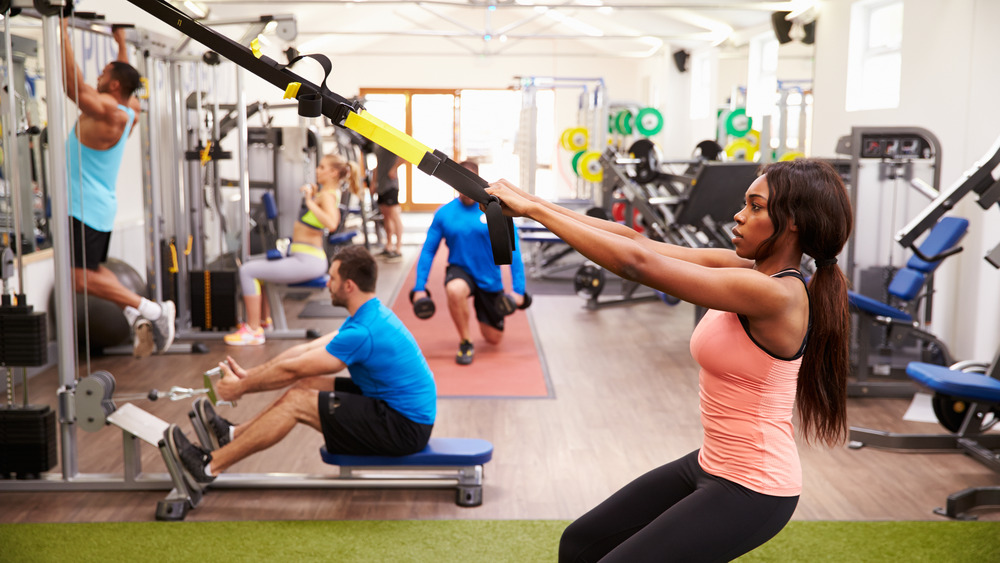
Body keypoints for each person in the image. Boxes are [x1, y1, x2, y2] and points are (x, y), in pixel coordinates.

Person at [485, 159, 852, 562]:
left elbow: (634, 264)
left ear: (794, 221)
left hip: (755, 487)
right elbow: (637, 243)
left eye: (756, 206)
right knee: (580, 544)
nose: (740, 215)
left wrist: (533, 212)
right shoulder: (747, 270)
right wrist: (532, 200)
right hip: (712, 463)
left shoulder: (776, 295)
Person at [167, 246, 437, 486]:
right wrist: (248, 376)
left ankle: (209, 466)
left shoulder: (363, 330)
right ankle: (232, 434)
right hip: (392, 407)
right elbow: (305, 351)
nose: (328, 284)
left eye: (333, 278)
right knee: (307, 387)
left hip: (403, 427)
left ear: (349, 285)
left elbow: (293, 369)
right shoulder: (370, 313)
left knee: (298, 401)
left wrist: (241, 389)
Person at [61, 20, 176, 358]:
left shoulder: (111, 113)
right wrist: (120, 44)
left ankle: (153, 311)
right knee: (93, 272)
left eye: (103, 73)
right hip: (95, 206)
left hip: (85, 207)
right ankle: (131, 312)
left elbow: (72, 84)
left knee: (80, 280)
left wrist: (61, 25)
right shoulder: (129, 109)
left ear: (111, 84)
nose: (96, 76)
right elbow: (125, 81)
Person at [225, 153, 360, 346]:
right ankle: (264, 322)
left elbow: (331, 223)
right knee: (256, 268)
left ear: (332, 172)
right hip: (304, 257)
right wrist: (313, 197)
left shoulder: (328, 196)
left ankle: (253, 330)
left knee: (247, 270)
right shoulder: (325, 194)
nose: (317, 170)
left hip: (307, 261)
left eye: (321, 167)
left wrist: (310, 201)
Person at [411, 160, 527, 366]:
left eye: (468, 183)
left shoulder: (494, 210)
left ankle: (481, 314)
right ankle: (465, 340)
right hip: (460, 270)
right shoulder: (444, 213)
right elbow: (429, 250)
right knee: (455, 290)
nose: (464, 189)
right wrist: (420, 287)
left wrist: (518, 291)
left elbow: (514, 250)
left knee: (493, 338)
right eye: (459, 183)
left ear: (477, 182)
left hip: (489, 277)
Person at [370, 144, 404, 262]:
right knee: (386, 217)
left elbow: (404, 156)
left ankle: (398, 249)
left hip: (391, 185)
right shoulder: (377, 146)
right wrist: (374, 182)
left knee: (394, 216)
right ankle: (389, 246)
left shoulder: (390, 143)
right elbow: (378, 165)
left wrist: (394, 168)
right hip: (381, 185)